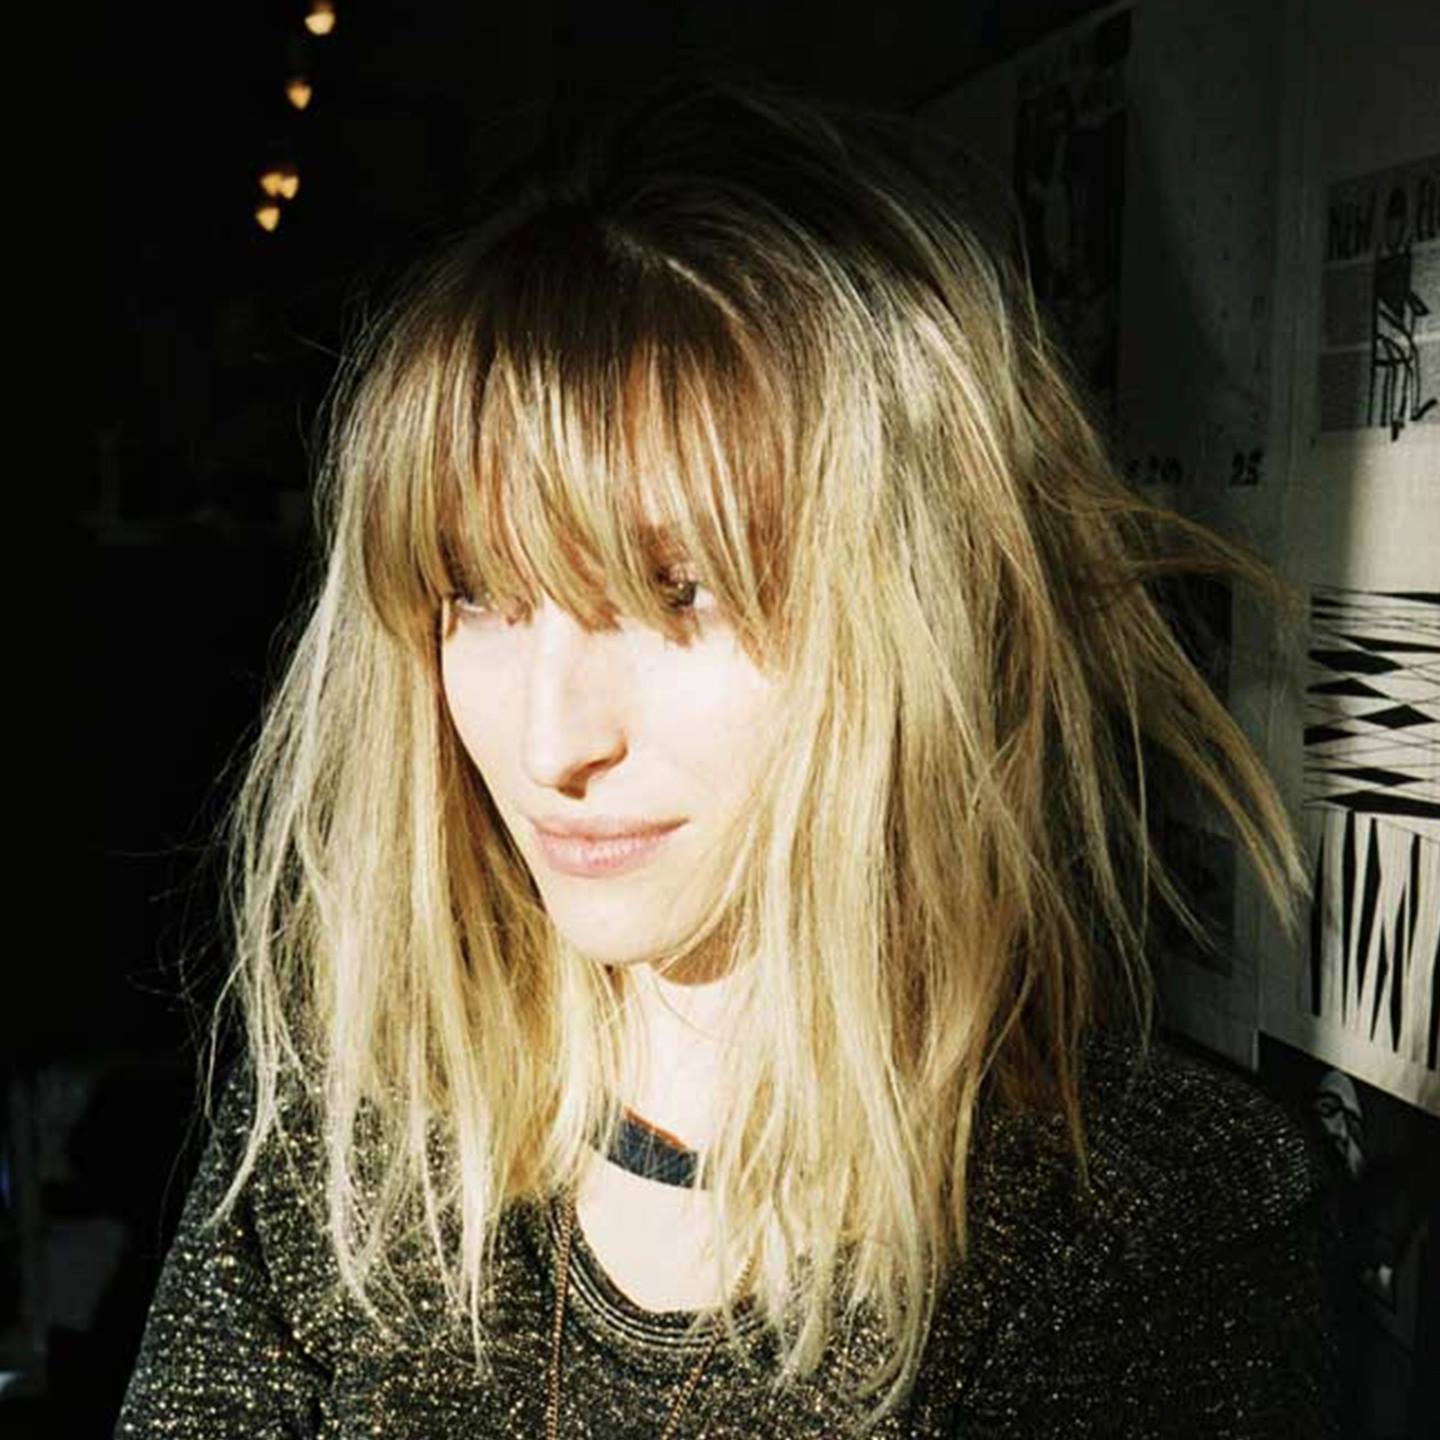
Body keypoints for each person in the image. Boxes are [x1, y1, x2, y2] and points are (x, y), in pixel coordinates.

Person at [117, 77, 1339, 1438]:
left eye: (679, 592)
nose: (550, 742)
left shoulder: (1159, 1230)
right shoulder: (352, 1134)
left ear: (919, 609)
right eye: (478, 594)